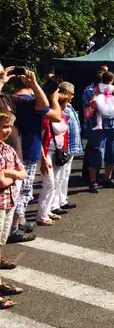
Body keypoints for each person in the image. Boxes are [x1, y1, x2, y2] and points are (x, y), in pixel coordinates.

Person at [0, 65, 60, 243]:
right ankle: (11, 230)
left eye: (2, 73)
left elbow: (43, 106)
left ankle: (12, 228)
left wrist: (34, 83)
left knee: (17, 194)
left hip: (12, 155)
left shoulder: (8, 99)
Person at [0, 109, 26, 308]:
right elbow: (1, 182)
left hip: (8, 203)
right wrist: (12, 174)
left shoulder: (8, 149)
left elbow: (23, 172)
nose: (7, 131)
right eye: (3, 127)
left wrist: (8, 172)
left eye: (9, 126)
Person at [37, 97, 70, 225]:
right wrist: (43, 158)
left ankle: (47, 210)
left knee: (55, 182)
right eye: (66, 102)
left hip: (57, 151)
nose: (68, 104)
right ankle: (41, 215)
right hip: (47, 152)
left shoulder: (63, 115)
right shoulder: (46, 118)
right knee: (49, 183)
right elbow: (40, 137)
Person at [59, 82, 81, 210]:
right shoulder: (62, 108)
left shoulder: (69, 106)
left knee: (65, 174)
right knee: (60, 175)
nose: (72, 96)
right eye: (71, 94)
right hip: (64, 146)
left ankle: (62, 200)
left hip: (71, 146)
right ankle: (56, 203)